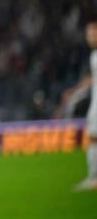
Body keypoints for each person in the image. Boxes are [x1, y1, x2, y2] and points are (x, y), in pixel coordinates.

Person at [59, 21, 97, 190]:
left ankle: (94, 177)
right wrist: (75, 90)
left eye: (93, 33)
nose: (90, 37)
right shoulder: (94, 55)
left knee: (93, 136)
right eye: (88, 34)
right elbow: (92, 79)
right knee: (93, 136)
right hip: (95, 100)